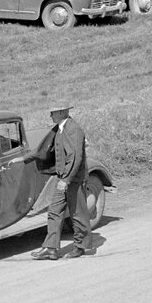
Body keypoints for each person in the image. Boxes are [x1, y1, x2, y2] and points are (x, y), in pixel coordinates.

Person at [33, 107, 101, 260]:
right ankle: (50, 249)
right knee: (54, 211)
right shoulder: (60, 128)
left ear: (62, 113)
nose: (50, 115)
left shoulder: (73, 129)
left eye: (53, 112)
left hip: (73, 179)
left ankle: (81, 246)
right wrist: (24, 159)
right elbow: (45, 149)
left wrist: (66, 180)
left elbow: (75, 158)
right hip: (62, 178)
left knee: (78, 213)